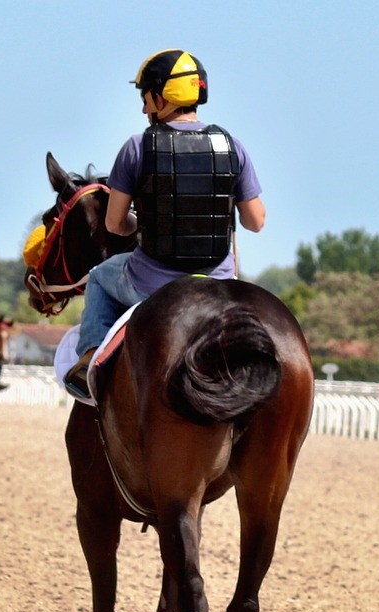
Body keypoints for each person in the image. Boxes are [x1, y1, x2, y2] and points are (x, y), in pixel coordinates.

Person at [63, 49, 265, 399]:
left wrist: (137, 224)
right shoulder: (233, 147)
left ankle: (88, 359)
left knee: (99, 276)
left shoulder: (136, 147)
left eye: (145, 98)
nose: (144, 109)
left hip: (149, 285)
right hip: (217, 285)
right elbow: (256, 221)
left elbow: (114, 225)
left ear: (160, 96)